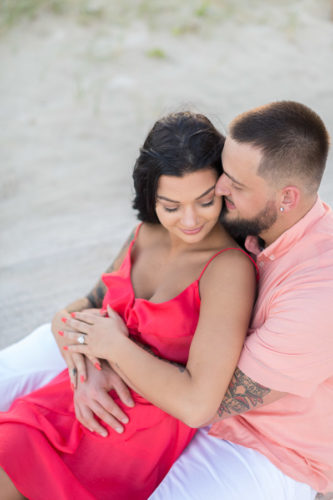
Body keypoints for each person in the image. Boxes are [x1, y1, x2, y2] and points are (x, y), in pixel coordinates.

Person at [1, 101, 332, 500]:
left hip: (268, 441)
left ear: (286, 198)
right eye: (223, 176)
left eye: (228, 189)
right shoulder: (218, 220)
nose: (218, 193)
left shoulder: (312, 293)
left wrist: (110, 349)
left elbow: (199, 403)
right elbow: (84, 308)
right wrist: (86, 368)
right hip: (113, 379)